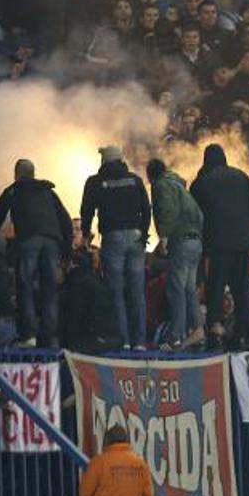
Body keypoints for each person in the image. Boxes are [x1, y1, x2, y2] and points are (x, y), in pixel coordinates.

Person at [0, 159, 73, 348]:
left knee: (24, 285)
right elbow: (66, 220)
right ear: (33, 173)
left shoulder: (12, 190)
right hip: (52, 241)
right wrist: (67, 251)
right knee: (50, 289)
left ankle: (29, 335)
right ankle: (51, 337)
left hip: (29, 240)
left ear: (16, 174)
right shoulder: (48, 192)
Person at [81, 146, 152, 349]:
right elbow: (146, 209)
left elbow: (87, 211)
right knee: (137, 291)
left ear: (103, 161)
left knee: (116, 290)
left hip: (112, 238)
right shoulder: (135, 180)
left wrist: (86, 236)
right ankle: (140, 342)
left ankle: (123, 341)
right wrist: (143, 234)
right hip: (136, 237)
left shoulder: (95, 182)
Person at [190, 144, 249, 349]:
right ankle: (241, 334)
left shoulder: (201, 182)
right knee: (241, 290)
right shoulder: (240, 176)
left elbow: (194, 215)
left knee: (216, 289)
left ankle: (215, 331)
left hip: (216, 247)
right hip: (241, 245)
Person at [147, 158, 204, 349]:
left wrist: (163, 236)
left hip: (180, 241)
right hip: (195, 241)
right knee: (188, 289)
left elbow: (166, 210)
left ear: (151, 176)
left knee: (176, 289)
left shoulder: (161, 185)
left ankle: (176, 337)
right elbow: (200, 215)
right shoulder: (179, 186)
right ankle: (197, 330)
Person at [77, 423, 155, 496]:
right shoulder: (140, 464)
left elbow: (85, 494)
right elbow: (148, 495)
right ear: (127, 441)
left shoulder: (98, 462)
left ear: (106, 441)